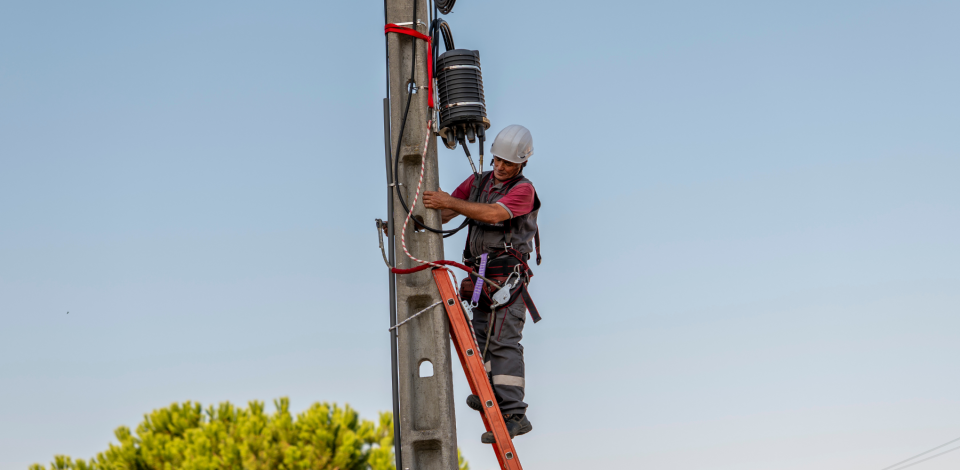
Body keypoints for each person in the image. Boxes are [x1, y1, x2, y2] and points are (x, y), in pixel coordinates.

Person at [423, 124, 541, 443]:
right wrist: (414, 216)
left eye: (509, 163)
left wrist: (450, 202)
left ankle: (515, 413)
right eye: (497, 160)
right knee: (479, 338)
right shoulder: (480, 182)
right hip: (479, 277)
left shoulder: (523, 190)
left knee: (502, 340)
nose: (501, 167)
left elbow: (492, 215)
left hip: (505, 278)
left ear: (523, 163)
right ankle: (488, 391)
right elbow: (446, 211)